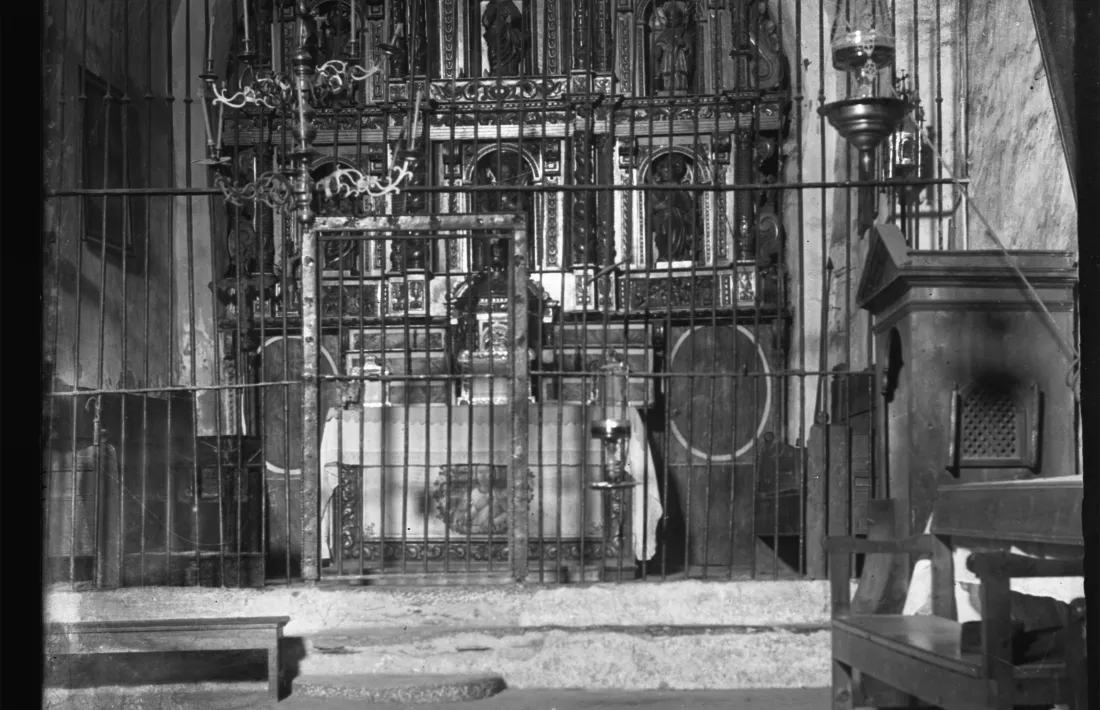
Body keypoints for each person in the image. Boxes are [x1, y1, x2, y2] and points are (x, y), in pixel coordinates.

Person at [654, 2, 695, 94]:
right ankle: (666, 89)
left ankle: (681, 88)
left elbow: (691, 52)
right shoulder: (664, 33)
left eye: (675, 19)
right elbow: (659, 45)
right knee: (667, 78)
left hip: (680, 62)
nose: (673, 21)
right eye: (670, 19)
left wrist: (683, 45)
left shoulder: (685, 33)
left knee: (679, 76)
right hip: (667, 63)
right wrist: (659, 47)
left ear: (680, 19)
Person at [482, 0, 526, 76]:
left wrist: (508, 22)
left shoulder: (509, 4)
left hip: (508, 37)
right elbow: (485, 21)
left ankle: (510, 74)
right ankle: (496, 72)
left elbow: (518, 20)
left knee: (510, 55)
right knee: (495, 55)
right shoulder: (492, 5)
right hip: (496, 36)